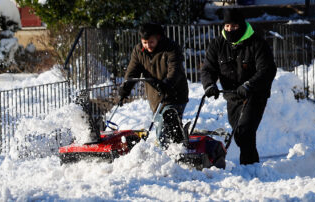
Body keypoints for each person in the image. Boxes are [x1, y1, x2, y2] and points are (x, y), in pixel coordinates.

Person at [200, 8, 277, 165]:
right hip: (232, 96)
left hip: (255, 94)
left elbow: (267, 70)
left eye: (234, 27)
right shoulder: (217, 44)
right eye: (227, 27)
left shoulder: (257, 43)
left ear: (241, 25)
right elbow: (208, 69)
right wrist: (209, 85)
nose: (230, 30)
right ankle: (253, 166)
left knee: (245, 131)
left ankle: (248, 167)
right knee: (240, 135)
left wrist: (250, 85)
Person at [118, 23, 189, 148]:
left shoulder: (170, 48)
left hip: (174, 93)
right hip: (155, 97)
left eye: (151, 42)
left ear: (158, 38)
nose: (147, 46)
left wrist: (167, 84)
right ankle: (177, 144)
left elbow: (175, 70)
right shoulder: (139, 51)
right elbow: (132, 72)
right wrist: (125, 89)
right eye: (145, 42)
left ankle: (172, 151)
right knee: (161, 124)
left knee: (167, 120)